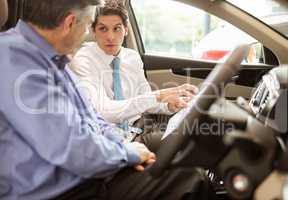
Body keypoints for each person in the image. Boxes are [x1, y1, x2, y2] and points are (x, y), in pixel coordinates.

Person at [0, 0, 215, 199]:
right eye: (89, 27)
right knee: (192, 180)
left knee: (184, 166)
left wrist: (122, 145)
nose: (89, 35)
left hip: (86, 168)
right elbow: (75, 150)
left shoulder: (50, 58)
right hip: (60, 189)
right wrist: (127, 153)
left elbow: (92, 118)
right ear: (70, 23)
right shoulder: (16, 61)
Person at [71, 1, 198, 135]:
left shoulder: (132, 57)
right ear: (94, 31)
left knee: (192, 132)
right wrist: (158, 95)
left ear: (125, 30)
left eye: (117, 28)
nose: (110, 37)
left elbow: (146, 98)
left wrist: (169, 106)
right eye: (103, 29)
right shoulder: (84, 59)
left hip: (137, 127)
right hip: (105, 133)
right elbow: (103, 111)